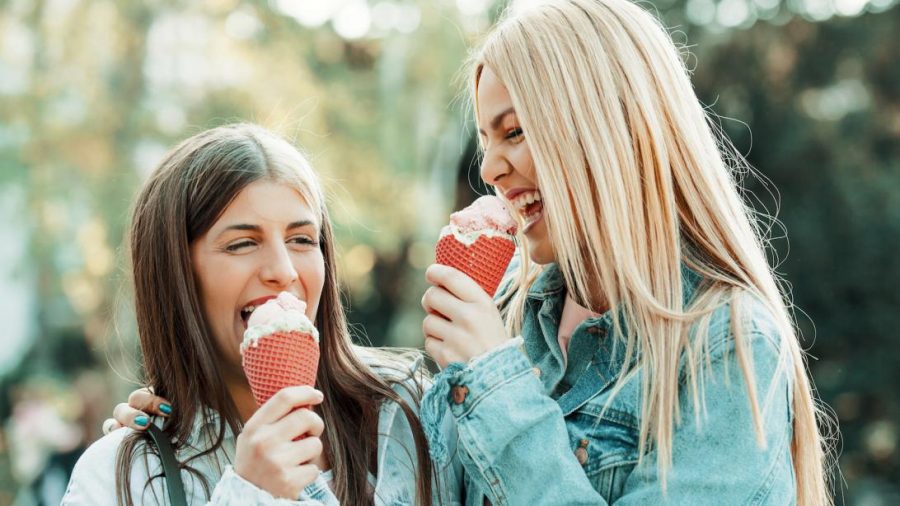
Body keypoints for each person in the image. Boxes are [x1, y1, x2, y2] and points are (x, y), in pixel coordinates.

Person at [418, 0, 834, 505]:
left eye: (515, 132)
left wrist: (494, 386)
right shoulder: (507, 317)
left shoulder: (728, 346)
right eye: (487, 139)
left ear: (607, 130)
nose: (489, 170)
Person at [62, 124, 462, 505]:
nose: (284, 270)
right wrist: (250, 495)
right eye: (241, 244)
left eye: (302, 239)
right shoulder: (121, 477)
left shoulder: (406, 414)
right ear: (176, 274)